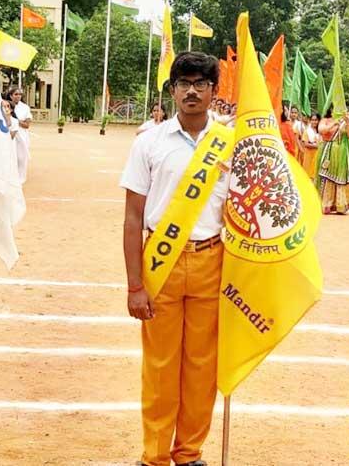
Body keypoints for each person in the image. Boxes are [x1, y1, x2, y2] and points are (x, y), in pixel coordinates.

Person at [120, 51, 228, 466]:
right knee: (161, 367)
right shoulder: (149, 142)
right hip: (161, 262)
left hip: (211, 261)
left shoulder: (230, 142)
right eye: (184, 83)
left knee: (202, 368)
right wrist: (134, 285)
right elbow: (132, 218)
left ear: (214, 92)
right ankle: (155, 455)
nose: (192, 91)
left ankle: (189, 454)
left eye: (201, 83)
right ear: (171, 91)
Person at [315, 108, 349, 214]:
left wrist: (347, 122)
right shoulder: (325, 120)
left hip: (342, 153)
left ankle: (340, 205)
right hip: (327, 152)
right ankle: (325, 203)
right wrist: (335, 122)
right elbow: (322, 130)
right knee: (327, 178)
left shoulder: (346, 121)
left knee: (340, 178)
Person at [8, 86, 32, 184]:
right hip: (10, 136)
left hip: (22, 137)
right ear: (10, 96)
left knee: (22, 159)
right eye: (16, 94)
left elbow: (27, 125)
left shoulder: (25, 108)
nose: (18, 96)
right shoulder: (6, 106)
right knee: (11, 158)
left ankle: (21, 180)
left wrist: (15, 121)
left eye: (20, 94)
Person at [301, 113, 320, 179]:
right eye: (312, 120)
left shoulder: (320, 132)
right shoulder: (307, 131)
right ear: (310, 121)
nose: (314, 122)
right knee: (308, 176)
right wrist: (317, 146)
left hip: (317, 156)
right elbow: (305, 144)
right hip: (309, 157)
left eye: (316, 120)